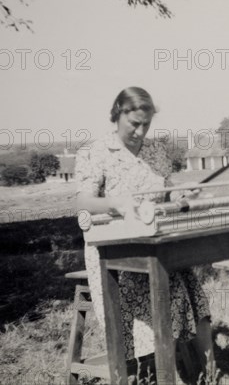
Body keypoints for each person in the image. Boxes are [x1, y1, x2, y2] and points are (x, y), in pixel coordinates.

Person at [74, 87, 213, 369]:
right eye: (134, 124)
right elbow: (83, 203)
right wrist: (115, 203)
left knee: (193, 294)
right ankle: (153, 369)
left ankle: (207, 373)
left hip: (156, 245)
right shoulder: (95, 152)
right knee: (166, 297)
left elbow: (167, 191)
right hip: (113, 256)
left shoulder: (155, 151)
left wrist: (184, 197)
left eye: (146, 124)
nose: (140, 131)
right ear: (117, 114)